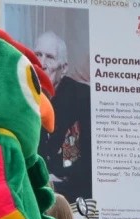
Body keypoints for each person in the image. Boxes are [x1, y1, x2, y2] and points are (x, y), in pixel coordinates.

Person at [34, 31, 92, 204]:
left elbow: (90, 160)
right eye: (38, 55)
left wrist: (56, 175)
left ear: (64, 68)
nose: (42, 64)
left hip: (73, 196)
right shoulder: (24, 96)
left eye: (50, 57)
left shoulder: (82, 97)